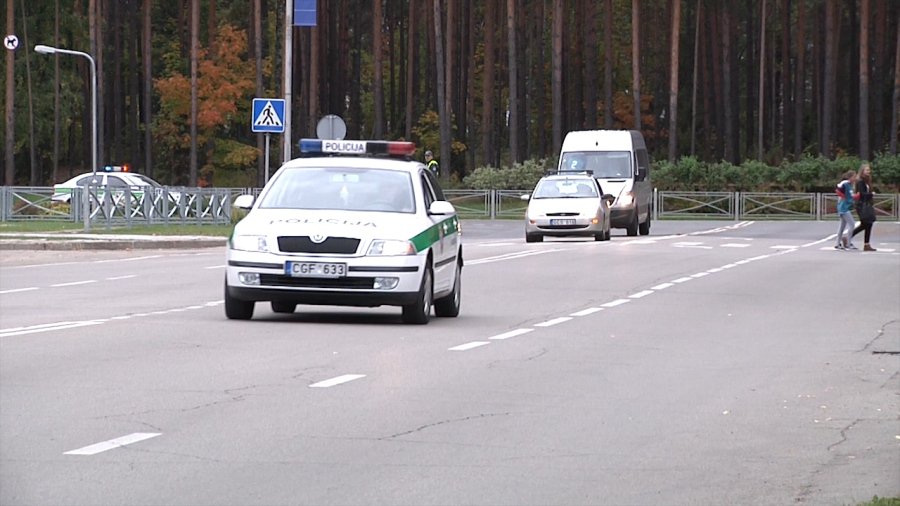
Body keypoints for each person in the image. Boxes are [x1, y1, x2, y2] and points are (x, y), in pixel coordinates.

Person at [851, 163, 877, 251]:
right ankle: (848, 237)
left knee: (868, 223)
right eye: (866, 170)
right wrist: (871, 194)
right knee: (866, 223)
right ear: (862, 171)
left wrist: (870, 195)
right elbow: (861, 194)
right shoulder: (860, 181)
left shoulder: (867, 181)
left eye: (869, 170)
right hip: (861, 204)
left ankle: (866, 244)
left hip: (867, 204)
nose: (868, 172)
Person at [834, 170, 858, 250]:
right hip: (843, 207)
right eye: (854, 177)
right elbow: (837, 190)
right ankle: (848, 242)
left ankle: (837, 243)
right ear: (850, 177)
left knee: (842, 226)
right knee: (852, 224)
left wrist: (857, 196)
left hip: (846, 207)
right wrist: (842, 196)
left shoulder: (851, 185)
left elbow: (851, 196)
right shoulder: (845, 183)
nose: (855, 178)